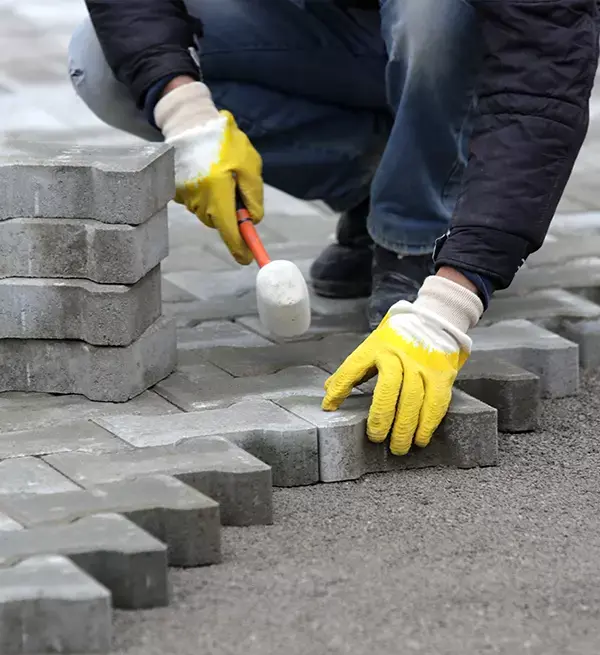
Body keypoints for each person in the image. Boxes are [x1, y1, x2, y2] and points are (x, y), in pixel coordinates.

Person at [70, 0, 598, 456]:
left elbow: (543, 81)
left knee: (433, 13)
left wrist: (454, 300)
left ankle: (417, 231)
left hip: (467, 40)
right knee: (101, 59)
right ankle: (388, 183)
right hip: (326, 34)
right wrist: (186, 115)